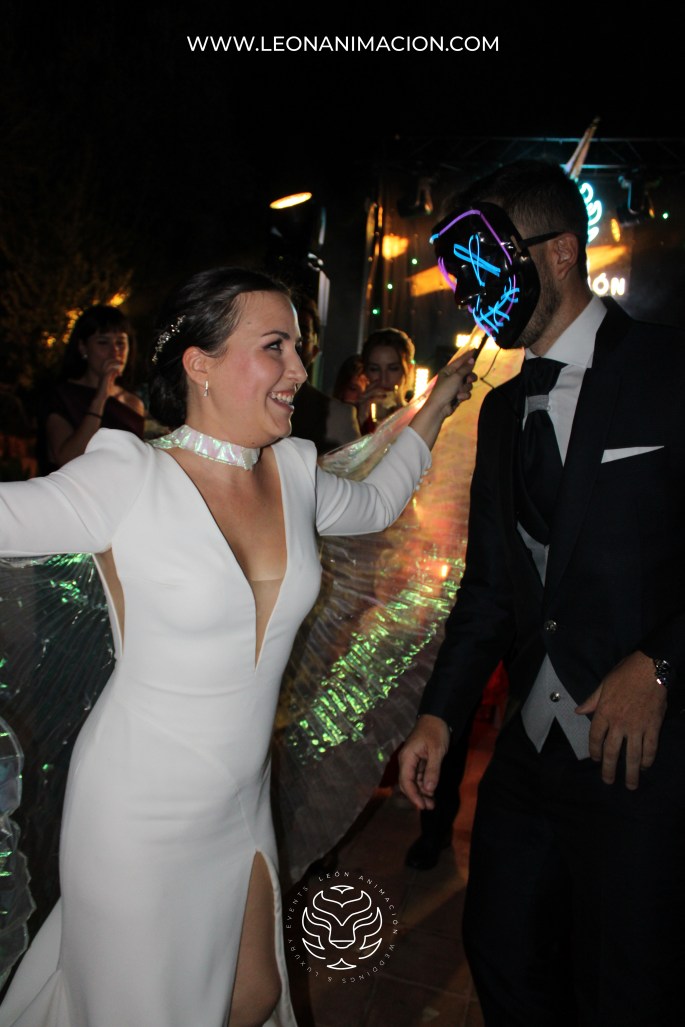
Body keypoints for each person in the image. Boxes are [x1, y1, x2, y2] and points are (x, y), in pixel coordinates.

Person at [0, 265, 477, 1027]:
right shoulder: (128, 473)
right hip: (135, 809)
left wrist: (439, 403)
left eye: (299, 348)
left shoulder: (293, 471)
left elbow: (380, 502)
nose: (299, 369)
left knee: (253, 996)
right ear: (201, 363)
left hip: (241, 798)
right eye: (275, 346)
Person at [398, 158, 685, 1026]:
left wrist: (661, 661)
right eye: (459, 274)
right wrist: (440, 715)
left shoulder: (669, 369)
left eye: (482, 263)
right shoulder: (499, 409)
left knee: (625, 982)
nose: (467, 291)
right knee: (503, 950)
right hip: (529, 752)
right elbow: (492, 584)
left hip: (643, 757)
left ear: (559, 253)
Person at [37, 304, 146, 475]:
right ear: (83, 347)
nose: (115, 352)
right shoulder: (61, 396)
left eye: (120, 343)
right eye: (103, 343)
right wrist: (101, 396)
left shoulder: (132, 403)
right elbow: (68, 459)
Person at [289, 292, 360, 453]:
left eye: (302, 334)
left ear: (314, 350)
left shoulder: (337, 416)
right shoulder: (245, 403)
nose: (292, 343)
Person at [358, 327, 416, 433]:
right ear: (365, 372)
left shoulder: (418, 419)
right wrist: (360, 420)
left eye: (393, 368)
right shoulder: (352, 417)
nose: (383, 379)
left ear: (409, 369)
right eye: (374, 369)